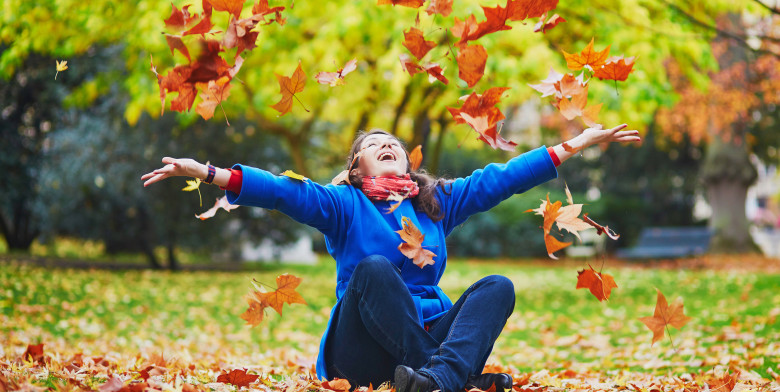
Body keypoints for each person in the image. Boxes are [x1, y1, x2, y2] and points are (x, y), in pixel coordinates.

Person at [141, 124, 640, 392]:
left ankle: (436, 382)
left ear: (406, 162)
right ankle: (450, 379)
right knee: (374, 269)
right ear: (355, 169)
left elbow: (499, 180)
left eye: (393, 145)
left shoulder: (435, 203)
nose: (386, 145)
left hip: (421, 343)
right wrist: (208, 173)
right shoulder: (341, 205)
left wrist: (574, 145)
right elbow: (279, 192)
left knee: (497, 287)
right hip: (359, 353)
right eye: (373, 145)